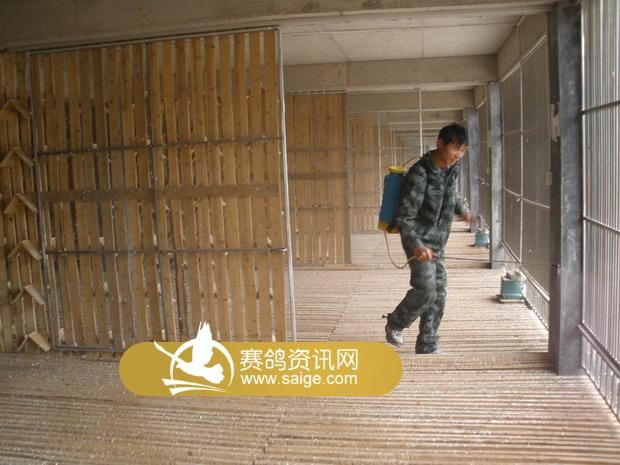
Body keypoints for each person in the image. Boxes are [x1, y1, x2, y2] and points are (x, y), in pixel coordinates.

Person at [385, 123, 473, 354]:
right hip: (418, 241)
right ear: (440, 143)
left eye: (463, 150)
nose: (458, 155)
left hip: (438, 243)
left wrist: (462, 210)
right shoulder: (419, 174)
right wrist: (416, 247)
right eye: (455, 148)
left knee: (439, 294)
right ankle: (395, 323)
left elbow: (450, 195)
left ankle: (427, 344)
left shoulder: (451, 169)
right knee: (426, 289)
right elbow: (405, 218)